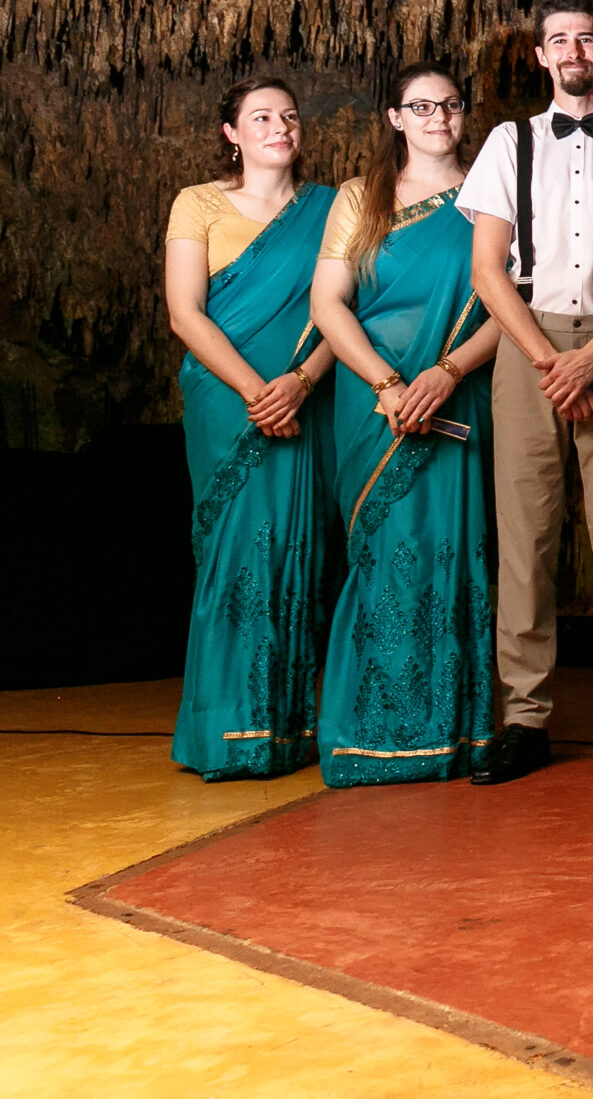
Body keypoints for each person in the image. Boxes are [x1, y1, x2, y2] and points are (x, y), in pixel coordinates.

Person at [460, 0, 593, 786]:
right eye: (558, 39)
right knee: (526, 536)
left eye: (587, 38)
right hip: (529, 343)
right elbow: (487, 270)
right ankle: (525, 717)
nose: (574, 50)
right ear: (540, 56)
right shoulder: (510, 141)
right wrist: (549, 363)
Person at [309, 62, 504, 786]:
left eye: (450, 104)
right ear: (394, 116)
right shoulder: (359, 198)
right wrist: (388, 383)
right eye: (420, 105)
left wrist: (447, 372)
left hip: (458, 392)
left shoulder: (492, 196)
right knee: (384, 556)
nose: (437, 117)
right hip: (374, 401)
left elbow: (508, 306)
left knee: (455, 554)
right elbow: (329, 302)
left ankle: (456, 732)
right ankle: (375, 732)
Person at [163, 77, 336, 780]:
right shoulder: (197, 203)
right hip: (226, 396)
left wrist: (302, 381)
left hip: (305, 392)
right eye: (260, 116)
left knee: (298, 549)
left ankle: (286, 728)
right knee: (235, 551)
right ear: (231, 133)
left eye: (289, 115)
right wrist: (254, 388)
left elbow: (343, 309)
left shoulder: (331, 208)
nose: (279, 125)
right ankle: (224, 731)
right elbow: (185, 312)